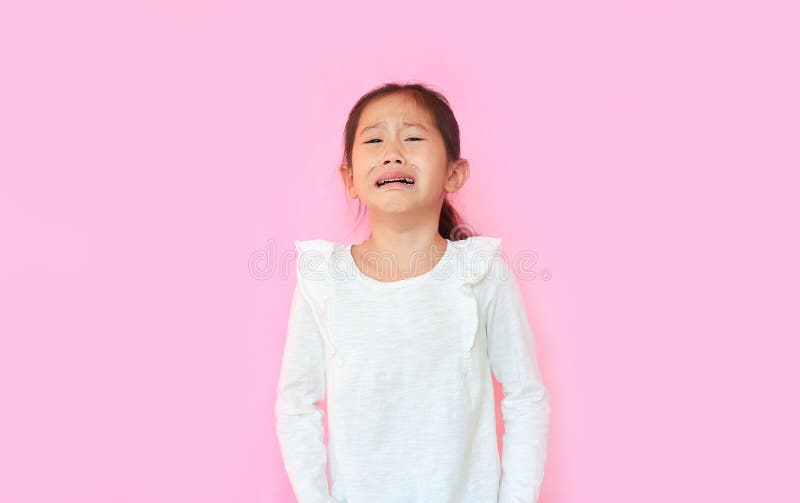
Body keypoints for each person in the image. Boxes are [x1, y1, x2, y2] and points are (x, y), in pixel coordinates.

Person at [274, 82, 551, 503]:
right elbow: (296, 404)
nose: (393, 152)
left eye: (414, 137)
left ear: (454, 173)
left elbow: (525, 395)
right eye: (374, 139)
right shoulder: (323, 278)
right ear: (349, 178)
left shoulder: (480, 271)